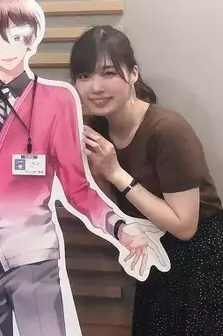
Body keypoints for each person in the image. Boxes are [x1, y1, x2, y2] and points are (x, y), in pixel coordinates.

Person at [0, 0, 164, 336]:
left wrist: (119, 228)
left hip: (33, 256)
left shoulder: (56, 101)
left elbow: (78, 188)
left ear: (31, 38)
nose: (7, 48)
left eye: (16, 36)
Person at [70, 25, 223, 336]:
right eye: (84, 75)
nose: (95, 87)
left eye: (108, 73)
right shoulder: (95, 132)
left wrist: (116, 173)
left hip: (200, 258)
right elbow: (108, 207)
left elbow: (185, 226)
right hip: (152, 253)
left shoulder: (167, 129)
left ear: (133, 74)